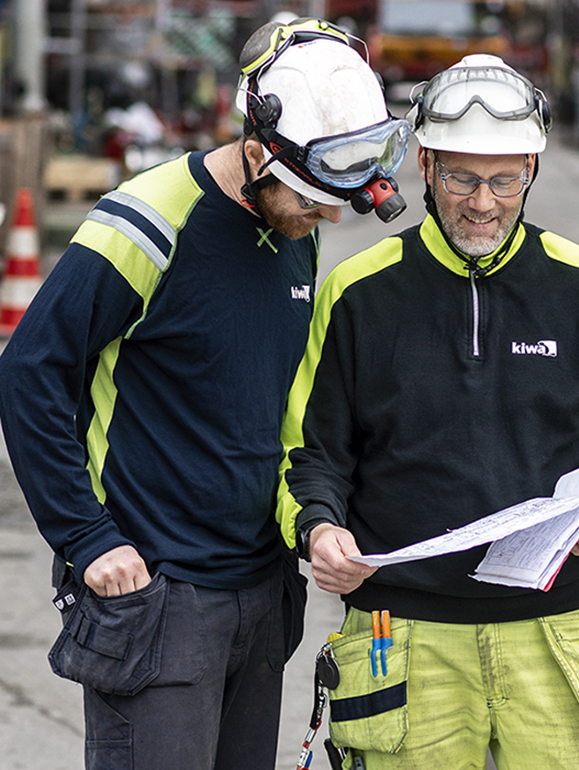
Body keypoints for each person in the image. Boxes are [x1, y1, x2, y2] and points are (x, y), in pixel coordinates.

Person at [0, 18, 409, 770]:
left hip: (260, 594)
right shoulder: (149, 221)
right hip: (159, 594)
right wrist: (85, 537)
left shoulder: (296, 225)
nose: (326, 216)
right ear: (257, 152)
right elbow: (30, 369)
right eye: (312, 199)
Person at [276, 54, 579, 769]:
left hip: (553, 630)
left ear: (531, 170)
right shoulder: (360, 292)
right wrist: (319, 529)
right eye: (461, 178)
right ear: (424, 165)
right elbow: (311, 454)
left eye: (505, 179)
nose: (483, 203)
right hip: (401, 633)